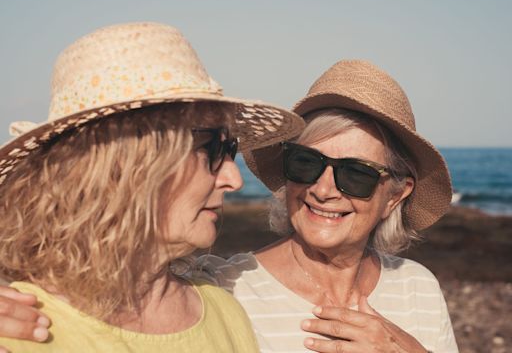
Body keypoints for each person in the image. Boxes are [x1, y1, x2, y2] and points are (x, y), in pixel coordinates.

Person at [0, 60, 457, 352]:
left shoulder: (418, 287)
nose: (323, 188)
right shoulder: (221, 288)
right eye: (305, 162)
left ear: (395, 193)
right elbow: (105, 274)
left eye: (354, 173)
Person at [0, 22, 303, 352]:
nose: (235, 179)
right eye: (212, 149)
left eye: (230, 150)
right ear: (126, 167)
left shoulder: (224, 311)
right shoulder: (24, 328)